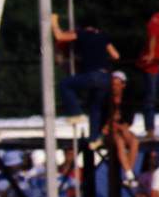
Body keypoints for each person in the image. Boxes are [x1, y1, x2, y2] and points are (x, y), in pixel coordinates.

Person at [51, 12, 120, 144]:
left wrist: (54, 23)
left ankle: (76, 112)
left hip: (92, 75)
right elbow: (116, 55)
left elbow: (60, 36)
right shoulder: (103, 35)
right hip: (106, 77)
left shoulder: (83, 34)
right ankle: (94, 139)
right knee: (95, 107)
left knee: (65, 84)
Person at [105, 70, 141, 187]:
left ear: (123, 85)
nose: (114, 87)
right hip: (109, 131)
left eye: (117, 84)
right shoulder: (106, 100)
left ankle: (128, 173)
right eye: (113, 84)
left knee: (134, 141)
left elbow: (128, 121)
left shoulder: (127, 100)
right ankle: (130, 175)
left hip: (121, 128)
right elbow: (104, 123)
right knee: (119, 142)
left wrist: (122, 127)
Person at [137, 2, 159, 139]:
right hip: (152, 63)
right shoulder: (157, 18)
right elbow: (152, 36)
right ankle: (150, 129)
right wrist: (151, 52)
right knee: (151, 96)